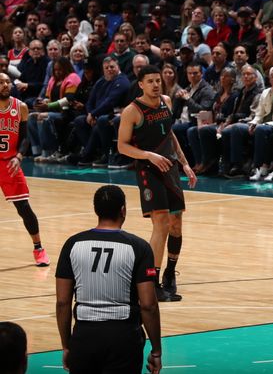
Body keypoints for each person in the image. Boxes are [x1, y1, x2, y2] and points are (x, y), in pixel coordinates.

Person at [55, 185, 162, 374]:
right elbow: (148, 305)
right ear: (123, 210)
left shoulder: (72, 244)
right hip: (123, 337)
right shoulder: (139, 247)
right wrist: (156, 350)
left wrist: (66, 345)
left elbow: (63, 302)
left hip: (84, 336)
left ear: (96, 209)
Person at [117, 66, 198, 302]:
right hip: (148, 170)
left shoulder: (166, 102)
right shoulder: (131, 111)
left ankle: (170, 274)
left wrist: (184, 164)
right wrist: (148, 155)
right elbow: (122, 146)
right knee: (161, 224)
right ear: (140, 84)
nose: (155, 84)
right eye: (150, 81)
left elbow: (170, 135)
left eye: (158, 80)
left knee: (176, 225)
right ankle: (151, 282)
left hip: (170, 167)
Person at [0, 73, 49, 266]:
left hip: (9, 163)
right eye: (1, 82)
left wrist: (19, 156)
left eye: (7, 82)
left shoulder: (20, 107)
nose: (5, 85)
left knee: (24, 208)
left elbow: (25, 137)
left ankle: (39, 249)